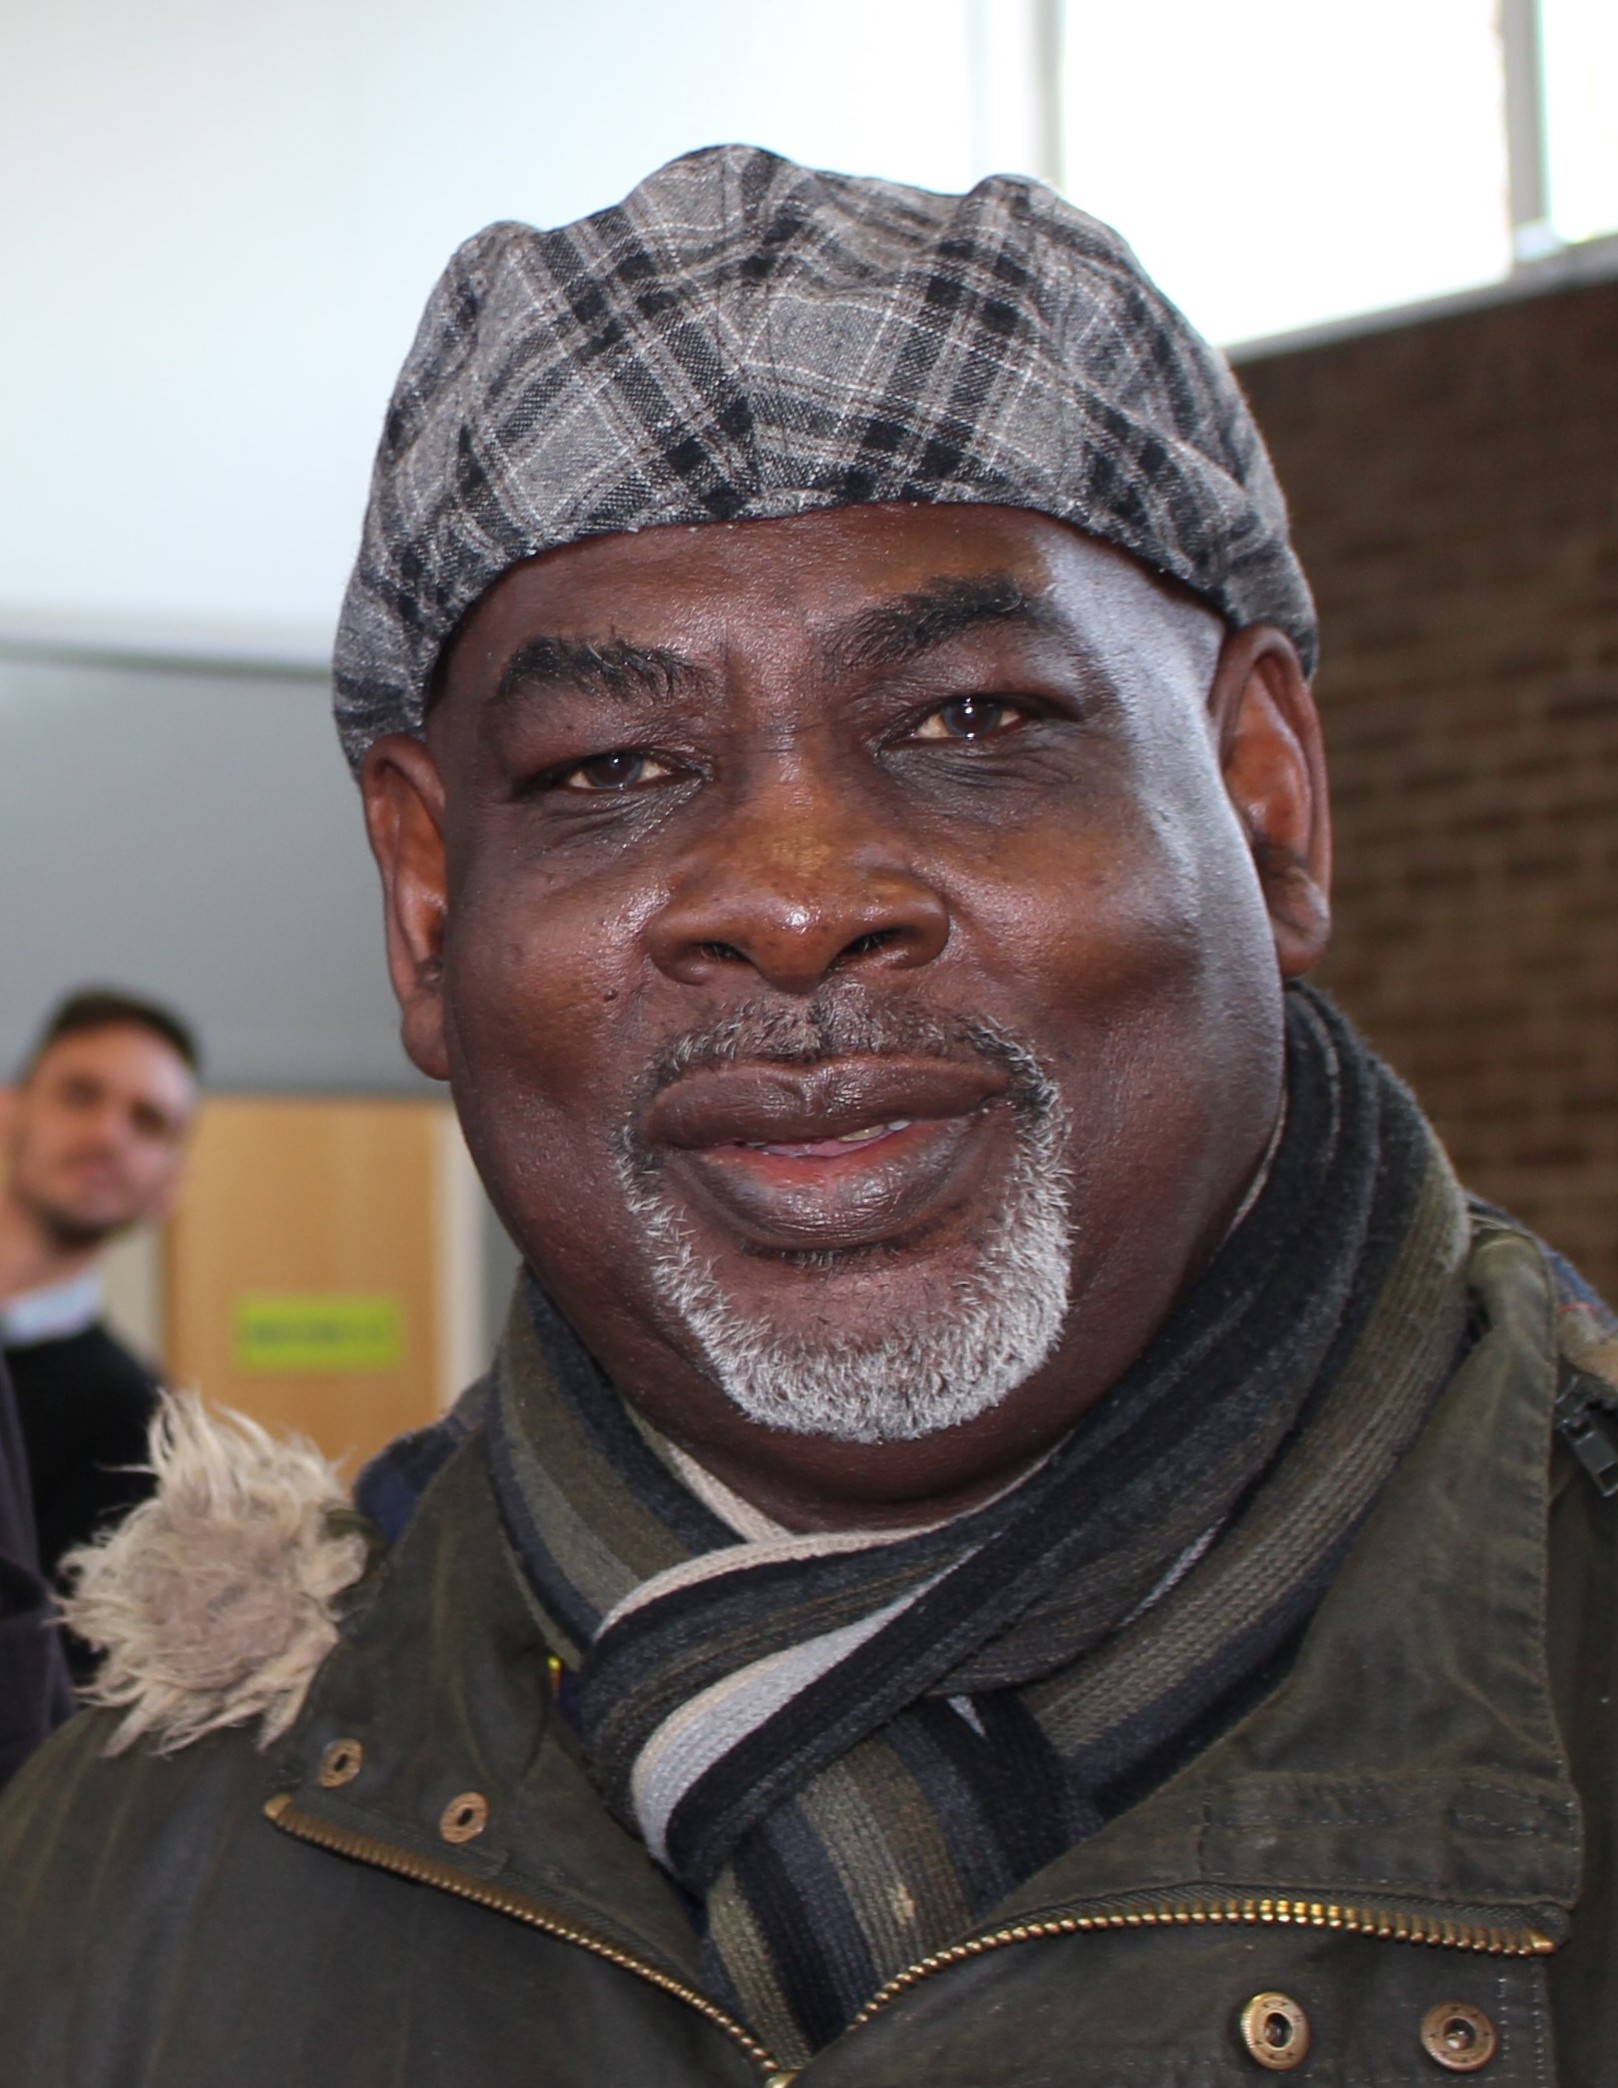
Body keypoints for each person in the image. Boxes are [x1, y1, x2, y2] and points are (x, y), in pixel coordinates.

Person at [3, 145, 1618, 2085]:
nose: (788, 895)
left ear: (1264, 797)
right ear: (427, 908)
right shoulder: (118, 1887)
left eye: (969, 721)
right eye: (609, 764)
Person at [0, 990, 199, 1671]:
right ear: (10, 1112)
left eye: (148, 1121)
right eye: (81, 1095)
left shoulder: (135, 1427)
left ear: (170, 1184)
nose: (109, 1134)